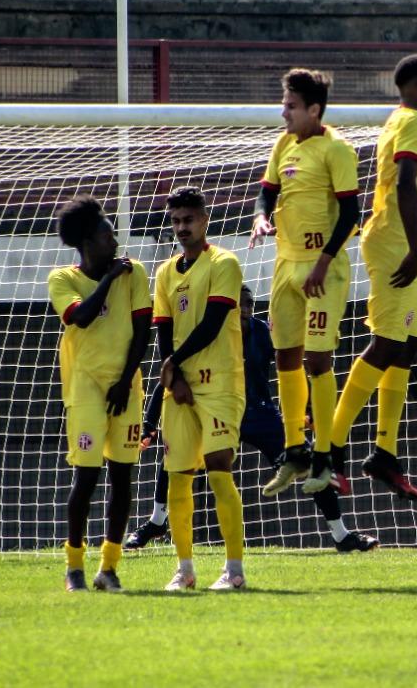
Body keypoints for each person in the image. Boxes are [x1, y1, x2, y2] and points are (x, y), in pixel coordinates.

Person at [124, 286, 377, 553]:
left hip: (258, 414)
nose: (244, 309)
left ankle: (341, 534)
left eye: (249, 304)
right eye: (239, 304)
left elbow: (291, 366)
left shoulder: (261, 332)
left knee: (303, 458)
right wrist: (150, 425)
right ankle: (157, 521)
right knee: (176, 453)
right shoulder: (208, 335)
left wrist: (308, 408)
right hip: (216, 409)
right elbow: (169, 376)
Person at [325, 54, 417, 501]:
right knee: (387, 343)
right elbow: (405, 181)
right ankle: (330, 450)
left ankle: (385, 451)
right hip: (398, 242)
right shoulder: (412, 124)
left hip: (401, 237)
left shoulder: (403, 119)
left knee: (406, 344)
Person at [247, 68, 361, 497]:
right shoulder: (282, 145)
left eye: (291, 106)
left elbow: (350, 214)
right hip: (286, 265)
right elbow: (267, 192)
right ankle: (296, 449)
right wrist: (260, 217)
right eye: (284, 104)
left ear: (314, 110)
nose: (284, 113)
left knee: (317, 362)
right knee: (286, 360)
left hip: (322, 270)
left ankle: (327, 455)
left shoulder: (337, 150)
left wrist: (322, 263)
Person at [47, 195, 151, 592]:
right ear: (89, 240)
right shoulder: (63, 278)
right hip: (85, 388)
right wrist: (108, 279)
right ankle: (74, 566)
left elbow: (142, 331)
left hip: (125, 386)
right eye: (108, 232)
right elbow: (83, 317)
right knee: (86, 478)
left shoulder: (135, 273)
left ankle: (108, 567)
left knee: (123, 478)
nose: (115, 239)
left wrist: (126, 381)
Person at [153, 186, 249, 590]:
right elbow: (163, 330)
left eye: (188, 219)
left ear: (204, 219)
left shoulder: (223, 263)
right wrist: (174, 380)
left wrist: (175, 363)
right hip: (181, 388)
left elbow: (212, 323)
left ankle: (235, 570)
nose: (181, 228)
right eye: (175, 221)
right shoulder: (164, 272)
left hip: (220, 383)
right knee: (177, 477)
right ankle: (186, 569)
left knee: (219, 470)